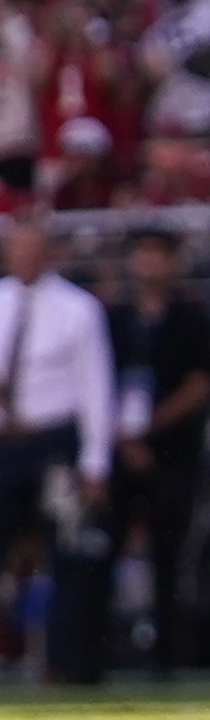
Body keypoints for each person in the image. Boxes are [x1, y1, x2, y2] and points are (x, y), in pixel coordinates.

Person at [0, 211, 114, 684]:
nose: (25, 257)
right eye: (17, 247)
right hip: (4, 441)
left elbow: (96, 388)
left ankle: (60, 660)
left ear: (50, 252)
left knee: (64, 552)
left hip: (54, 440)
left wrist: (95, 460)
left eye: (34, 248)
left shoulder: (79, 309)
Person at [124, 229, 209, 677]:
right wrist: (126, 438)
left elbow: (199, 385)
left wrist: (149, 429)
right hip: (119, 454)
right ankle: (87, 657)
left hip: (174, 453)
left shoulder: (191, 319)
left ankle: (170, 657)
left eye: (159, 255)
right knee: (98, 552)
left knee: (173, 555)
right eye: (143, 255)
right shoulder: (115, 318)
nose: (150, 265)